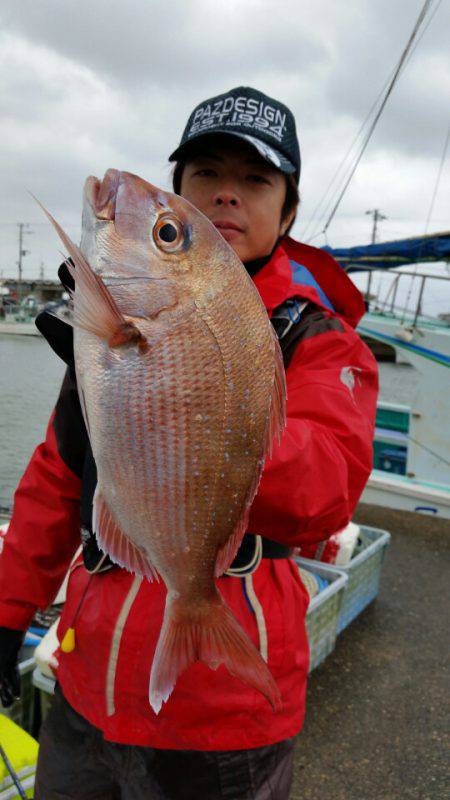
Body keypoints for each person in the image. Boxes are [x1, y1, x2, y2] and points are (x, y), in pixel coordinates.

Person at [0, 86, 378, 799]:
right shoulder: (111, 328)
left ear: (289, 211)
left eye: (255, 179)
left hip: (225, 722)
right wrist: (7, 610)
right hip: (87, 680)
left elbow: (328, 489)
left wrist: (196, 413)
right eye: (206, 175)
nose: (227, 195)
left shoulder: (321, 339)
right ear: (181, 189)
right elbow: (56, 477)